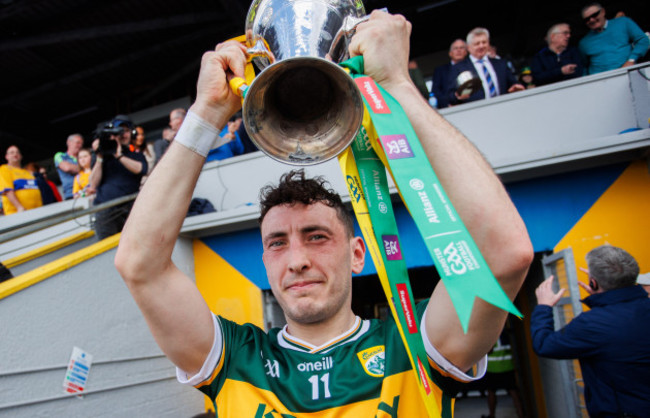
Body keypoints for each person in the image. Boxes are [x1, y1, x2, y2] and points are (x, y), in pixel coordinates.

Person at [115, 11, 533, 417]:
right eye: (277, 243)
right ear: (264, 262)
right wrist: (206, 113)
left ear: (357, 253)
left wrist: (396, 86)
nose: (297, 260)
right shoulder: (234, 359)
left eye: (316, 236)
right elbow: (139, 264)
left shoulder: (413, 346)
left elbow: (503, 255)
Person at [531, 245, 650, 417]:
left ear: (592, 282)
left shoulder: (591, 324)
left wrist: (543, 307)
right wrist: (600, 299)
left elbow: (544, 344)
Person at [89, 115, 147, 240]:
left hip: (131, 210)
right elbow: (93, 184)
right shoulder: (102, 157)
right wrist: (99, 156)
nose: (123, 135)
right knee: (106, 250)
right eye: (119, 131)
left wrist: (119, 155)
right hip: (106, 211)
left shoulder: (136, 155)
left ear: (132, 133)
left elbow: (141, 169)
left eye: (126, 131)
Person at [446, 27, 524, 106]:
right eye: (477, 44)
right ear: (468, 47)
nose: (481, 46)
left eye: (484, 42)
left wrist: (516, 87)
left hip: (503, 107)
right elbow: (449, 96)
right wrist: (457, 96)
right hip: (476, 112)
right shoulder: (458, 68)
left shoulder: (501, 64)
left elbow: (513, 83)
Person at [579, 3, 649, 75]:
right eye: (587, 19)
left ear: (603, 12)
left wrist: (631, 60)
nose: (591, 20)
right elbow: (584, 66)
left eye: (594, 15)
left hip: (627, 73)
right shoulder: (584, 43)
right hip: (599, 80)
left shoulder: (623, 22)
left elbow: (643, 40)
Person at [481, 330, 524, 418]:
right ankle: (521, 415)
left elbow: (489, 350)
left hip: (494, 368)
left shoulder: (491, 335)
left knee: (491, 392)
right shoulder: (507, 334)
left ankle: (492, 415)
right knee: (514, 392)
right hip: (508, 366)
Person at [1, 145, 42, 215]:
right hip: (18, 214)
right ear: (6, 157)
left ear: (21, 156)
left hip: (37, 212)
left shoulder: (27, 172)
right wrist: (19, 207)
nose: (15, 154)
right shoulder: (4, 169)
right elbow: (7, 191)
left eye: (17, 152)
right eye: (12, 152)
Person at [431, 39, 467, 109]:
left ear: (466, 52)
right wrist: (447, 104)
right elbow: (436, 90)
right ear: (450, 53)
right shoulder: (440, 70)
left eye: (461, 48)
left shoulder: (473, 67)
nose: (458, 50)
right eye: (455, 48)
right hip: (449, 108)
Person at [54, 133, 84, 200]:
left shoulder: (82, 156)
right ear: (69, 142)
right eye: (78, 143)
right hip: (71, 194)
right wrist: (85, 168)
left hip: (87, 190)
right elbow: (67, 168)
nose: (80, 145)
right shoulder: (60, 155)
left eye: (81, 144)